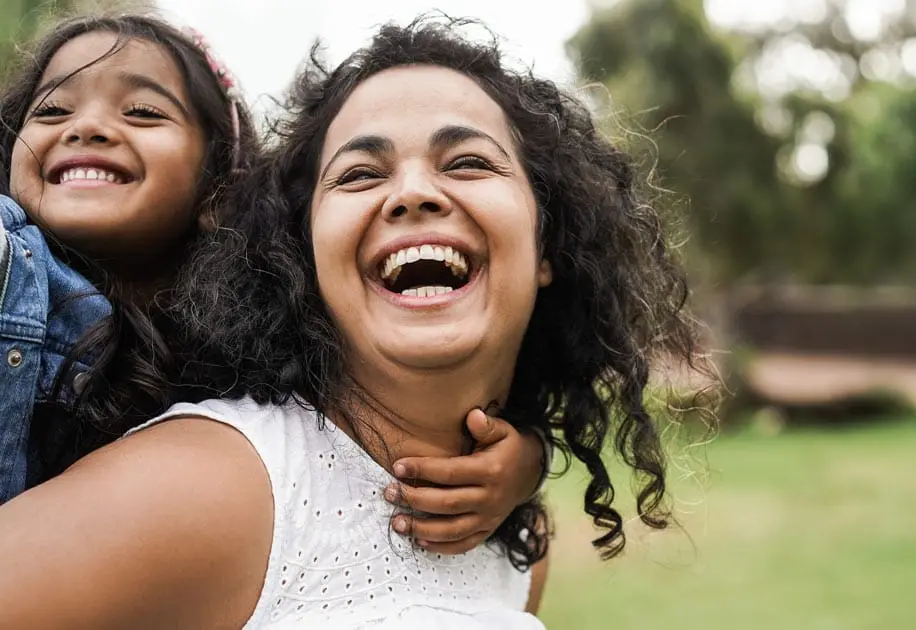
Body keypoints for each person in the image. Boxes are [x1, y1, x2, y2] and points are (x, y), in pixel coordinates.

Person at [0, 14, 714, 629]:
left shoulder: (509, 533)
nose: (412, 193)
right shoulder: (216, 486)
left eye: (466, 162)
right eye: (361, 174)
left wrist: (524, 465)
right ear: (301, 254)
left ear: (548, 242)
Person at [0, 13, 545, 552]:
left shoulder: (240, 341)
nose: (86, 126)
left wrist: (522, 462)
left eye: (142, 112)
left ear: (221, 185)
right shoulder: (10, 264)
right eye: (51, 110)